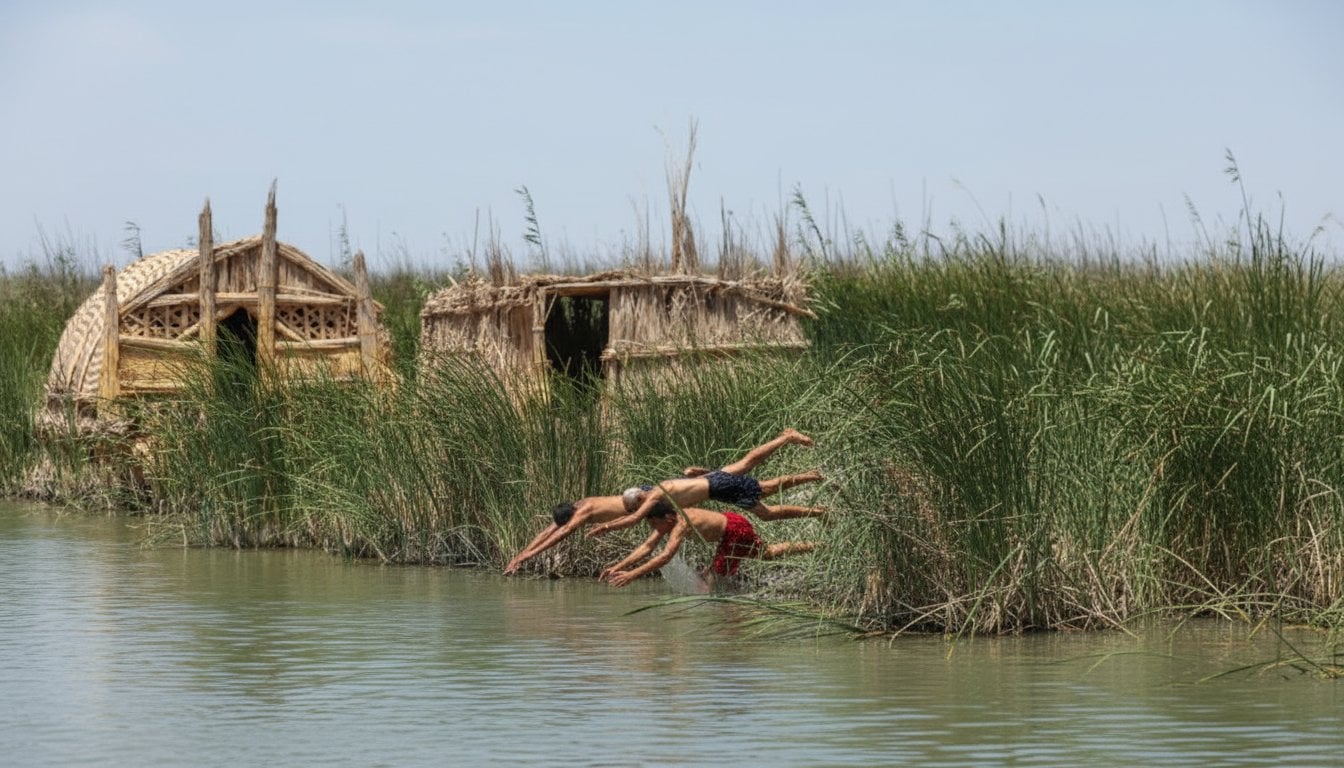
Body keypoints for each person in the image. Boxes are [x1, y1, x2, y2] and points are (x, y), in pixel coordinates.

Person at [507, 429, 818, 573]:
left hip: (709, 489)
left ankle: (809, 494)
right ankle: (807, 474)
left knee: (765, 504)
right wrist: (524, 553)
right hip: (709, 485)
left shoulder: (644, 500)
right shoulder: (651, 495)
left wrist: (609, 528)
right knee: (756, 481)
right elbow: (553, 529)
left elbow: (566, 531)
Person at [586, 428, 823, 539]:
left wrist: (605, 527)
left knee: (766, 510)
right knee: (749, 464)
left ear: (640, 498)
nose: (640, 510)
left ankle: (816, 511)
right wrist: (703, 473)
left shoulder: (654, 497)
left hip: (718, 488)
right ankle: (795, 452)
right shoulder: (660, 492)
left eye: (637, 506)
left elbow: (634, 519)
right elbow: (687, 490)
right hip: (713, 483)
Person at [599, 500, 817, 589]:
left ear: (667, 518)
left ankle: (732, 620)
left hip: (733, 532)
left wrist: (632, 575)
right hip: (734, 524)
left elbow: (664, 557)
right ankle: (815, 545)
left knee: (711, 587)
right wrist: (619, 567)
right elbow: (647, 547)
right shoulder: (671, 520)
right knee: (767, 553)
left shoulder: (681, 524)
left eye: (655, 524)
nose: (655, 529)